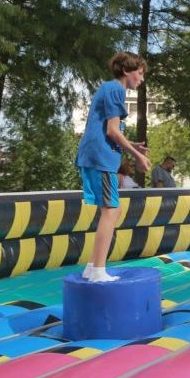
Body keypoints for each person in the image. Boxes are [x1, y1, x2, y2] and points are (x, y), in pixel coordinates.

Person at [75, 52, 151, 282]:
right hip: (100, 159)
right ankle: (98, 270)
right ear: (127, 71)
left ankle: (92, 266)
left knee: (111, 210)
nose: (141, 79)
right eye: (140, 73)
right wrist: (137, 155)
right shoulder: (116, 89)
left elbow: (107, 129)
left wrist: (133, 145)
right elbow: (112, 131)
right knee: (112, 211)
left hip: (96, 156)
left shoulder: (108, 89)